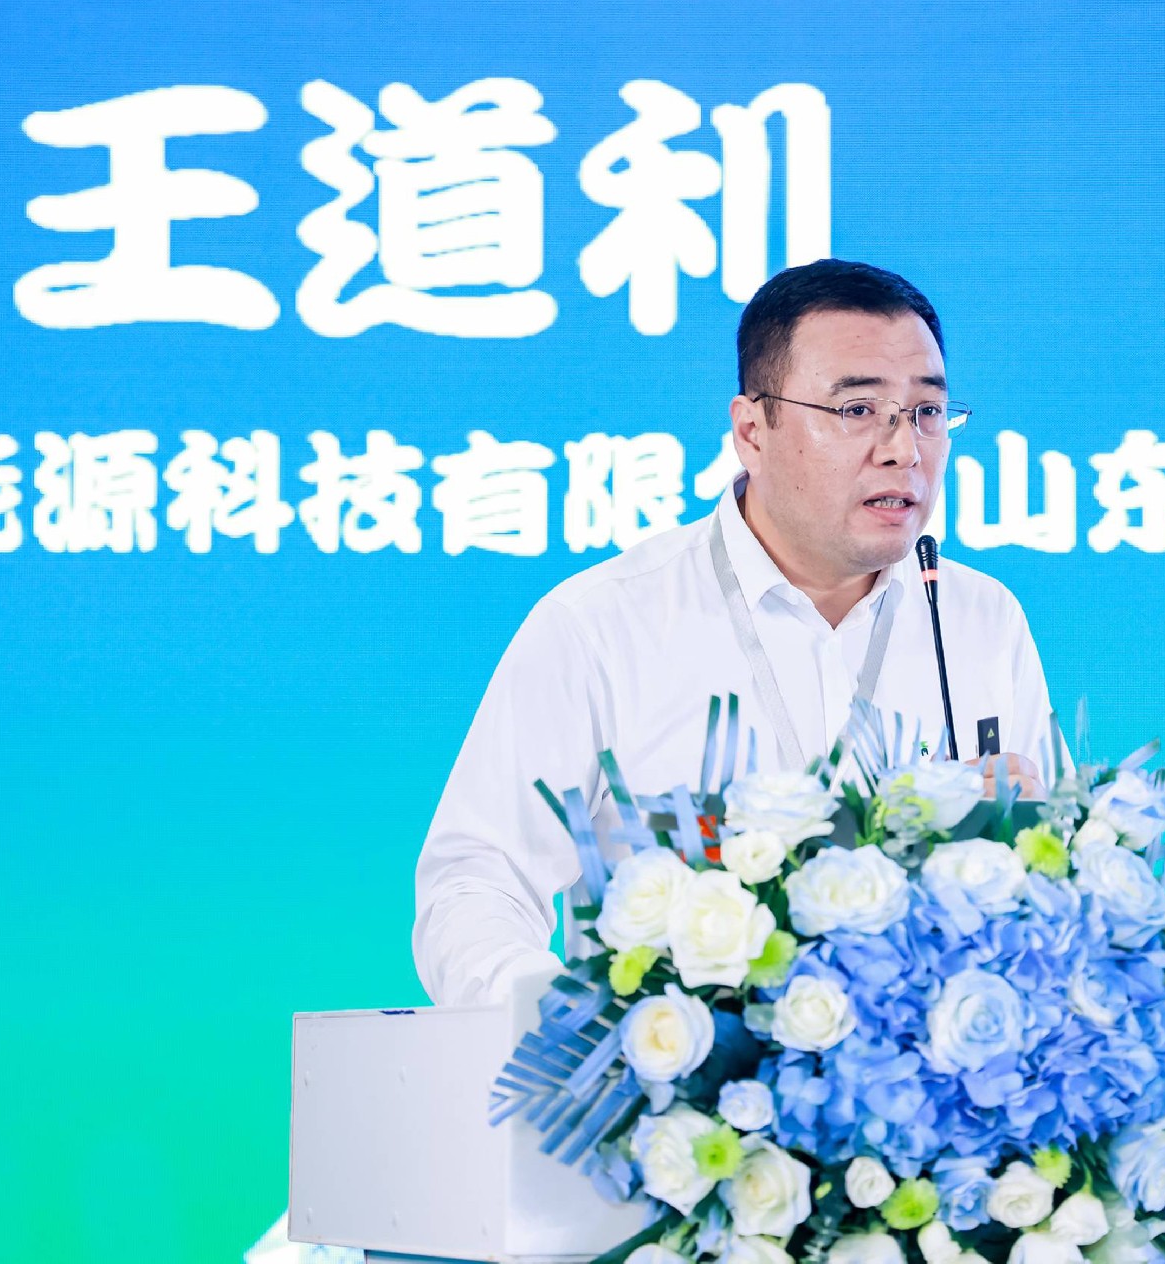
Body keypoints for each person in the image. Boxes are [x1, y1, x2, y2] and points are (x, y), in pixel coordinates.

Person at [412, 259, 1063, 1006]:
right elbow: (477, 883)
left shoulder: (980, 621)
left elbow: (1054, 886)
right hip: (676, 1075)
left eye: (926, 412)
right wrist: (562, 1026)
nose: (904, 449)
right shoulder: (602, 626)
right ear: (752, 430)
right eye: (857, 410)